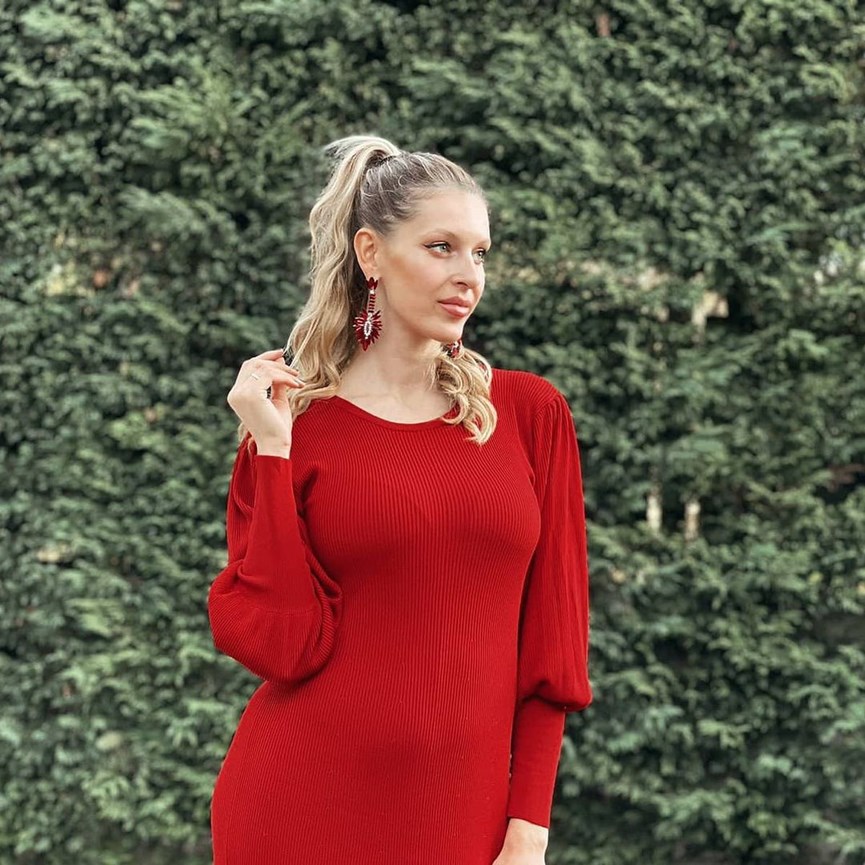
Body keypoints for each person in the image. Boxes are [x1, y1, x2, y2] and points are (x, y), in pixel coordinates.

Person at [207, 134, 593, 865]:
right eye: (441, 247)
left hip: (464, 819)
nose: (467, 276)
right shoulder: (295, 427)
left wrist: (528, 831)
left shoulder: (529, 414)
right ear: (371, 254)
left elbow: (554, 651)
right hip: (297, 810)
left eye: (479, 253)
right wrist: (274, 452)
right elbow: (283, 644)